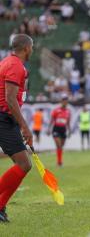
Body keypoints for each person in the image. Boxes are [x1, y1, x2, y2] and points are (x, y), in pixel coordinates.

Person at [0, 34, 33, 222]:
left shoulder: (7, 61)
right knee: (24, 164)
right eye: (32, 47)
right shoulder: (15, 66)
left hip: (7, 118)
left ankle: (1, 206)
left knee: (24, 164)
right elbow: (10, 99)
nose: (32, 51)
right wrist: (25, 127)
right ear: (27, 48)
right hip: (3, 118)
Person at [47, 94, 71, 167]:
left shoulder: (68, 111)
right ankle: (59, 162)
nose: (65, 102)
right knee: (59, 145)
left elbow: (68, 122)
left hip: (63, 129)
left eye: (66, 101)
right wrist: (49, 129)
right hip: (56, 128)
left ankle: (59, 161)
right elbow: (52, 120)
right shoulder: (56, 110)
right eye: (64, 100)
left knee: (61, 146)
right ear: (61, 101)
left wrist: (69, 130)